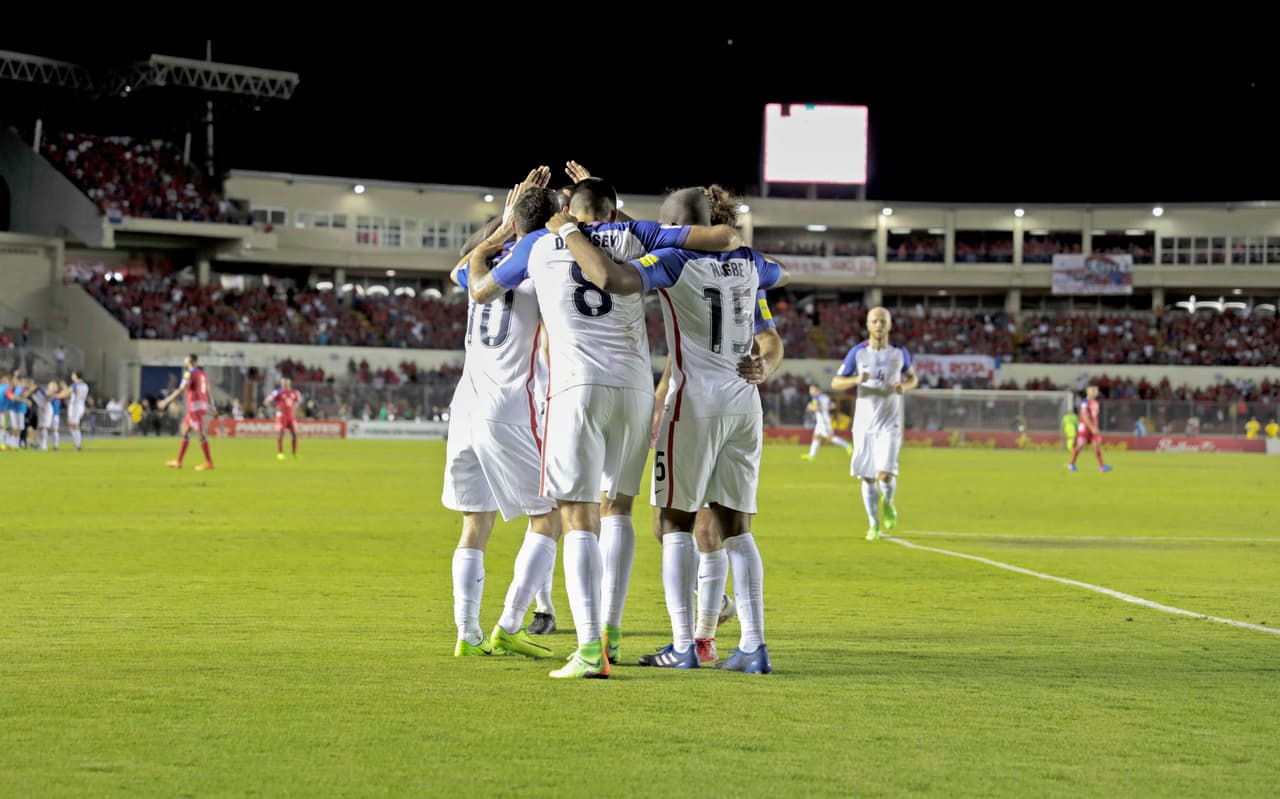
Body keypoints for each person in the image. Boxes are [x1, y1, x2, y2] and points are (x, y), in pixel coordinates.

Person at [472, 176, 742, 679]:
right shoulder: (637, 235)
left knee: (578, 517)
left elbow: (480, 289)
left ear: (568, 209)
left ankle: (591, 649)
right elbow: (725, 239)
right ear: (614, 211)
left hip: (577, 389)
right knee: (618, 509)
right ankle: (612, 633)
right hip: (636, 390)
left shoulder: (539, 241)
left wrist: (488, 245)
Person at [559, 186, 788, 672]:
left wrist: (568, 230)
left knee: (673, 524)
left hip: (696, 402)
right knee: (736, 530)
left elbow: (607, 277)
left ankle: (684, 644)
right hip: (745, 403)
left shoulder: (671, 261)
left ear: (677, 229)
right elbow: (780, 270)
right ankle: (754, 646)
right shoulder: (751, 262)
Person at [444, 175, 564, 661]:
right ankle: (511, 624)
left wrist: (502, 223)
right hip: (509, 406)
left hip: (466, 408)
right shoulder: (542, 269)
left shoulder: (480, 267)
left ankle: (467, 634)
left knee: (476, 523)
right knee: (549, 518)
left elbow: (462, 263)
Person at [831, 307, 919, 541]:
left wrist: (905, 387)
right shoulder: (858, 353)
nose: (879, 325)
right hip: (864, 424)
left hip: (889, 423)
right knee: (867, 477)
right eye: (874, 321)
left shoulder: (899, 353)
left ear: (889, 325)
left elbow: (913, 378)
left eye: (883, 321)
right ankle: (873, 524)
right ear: (868, 325)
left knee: (885, 475)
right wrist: (856, 379)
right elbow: (836, 382)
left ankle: (888, 503)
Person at [159, 354, 215, 471]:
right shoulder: (203, 374)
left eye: (185, 358)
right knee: (184, 430)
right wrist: (212, 406)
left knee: (200, 434)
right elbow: (208, 390)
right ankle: (178, 461)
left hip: (195, 407)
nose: (184, 360)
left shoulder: (189, 373)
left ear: (189, 361)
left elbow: (181, 389)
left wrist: (166, 401)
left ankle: (209, 462)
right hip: (201, 405)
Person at [1067, 384, 1111, 473]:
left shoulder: (1096, 403)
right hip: (1085, 428)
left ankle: (1102, 466)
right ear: (1088, 392)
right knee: (1080, 446)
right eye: (1093, 391)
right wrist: (1091, 427)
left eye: (1096, 391)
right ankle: (1071, 464)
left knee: (1097, 444)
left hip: (1093, 427)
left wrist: (1095, 427)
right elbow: (1084, 415)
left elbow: (1094, 417)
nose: (1095, 392)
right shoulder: (1084, 402)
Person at [801, 384, 852, 460]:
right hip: (824, 418)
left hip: (823, 420)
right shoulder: (825, 396)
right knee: (816, 436)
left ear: (816, 389)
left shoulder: (816, 397)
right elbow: (833, 406)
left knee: (830, 438)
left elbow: (816, 408)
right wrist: (824, 408)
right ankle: (812, 456)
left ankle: (847, 445)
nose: (810, 391)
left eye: (811, 390)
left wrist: (810, 406)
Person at [266, 377, 303, 460]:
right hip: (282, 416)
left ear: (289, 383)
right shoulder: (278, 392)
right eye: (282, 383)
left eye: (285, 383)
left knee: (294, 434)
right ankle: (280, 453)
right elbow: (267, 401)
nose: (284, 384)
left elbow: (299, 402)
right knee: (281, 434)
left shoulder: (295, 392)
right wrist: (275, 407)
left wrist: (297, 411)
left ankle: (294, 453)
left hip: (291, 416)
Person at [66, 372, 90, 451]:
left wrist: (62, 390)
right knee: (72, 424)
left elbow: (67, 392)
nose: (72, 376)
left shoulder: (75, 385)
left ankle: (78, 445)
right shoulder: (85, 385)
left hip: (75, 407)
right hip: (81, 405)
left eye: (73, 375)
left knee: (74, 425)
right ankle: (77, 444)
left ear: (76, 376)